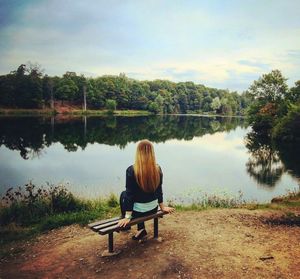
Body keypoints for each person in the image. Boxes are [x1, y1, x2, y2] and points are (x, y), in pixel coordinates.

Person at [118, 139, 175, 240]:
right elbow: (159, 190)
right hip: (153, 209)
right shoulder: (157, 169)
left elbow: (129, 195)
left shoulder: (132, 170)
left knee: (124, 194)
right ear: (152, 152)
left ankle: (127, 225)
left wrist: (127, 217)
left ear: (138, 152)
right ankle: (141, 230)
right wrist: (162, 207)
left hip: (138, 212)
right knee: (139, 197)